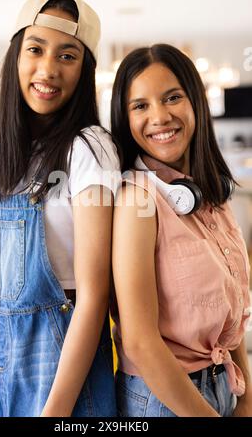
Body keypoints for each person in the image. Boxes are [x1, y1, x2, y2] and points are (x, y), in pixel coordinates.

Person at [0, 0, 120, 417]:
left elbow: (94, 296)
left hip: (61, 371)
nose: (48, 69)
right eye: (35, 49)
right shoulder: (4, 151)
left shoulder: (89, 148)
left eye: (67, 56)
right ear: (16, 56)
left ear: (84, 70)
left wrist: (55, 412)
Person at [110, 43, 252, 417]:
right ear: (125, 119)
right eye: (140, 105)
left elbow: (233, 314)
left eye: (172, 97)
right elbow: (140, 342)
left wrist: (248, 397)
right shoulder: (136, 201)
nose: (159, 116)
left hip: (226, 385)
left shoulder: (212, 193)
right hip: (165, 399)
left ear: (196, 103)